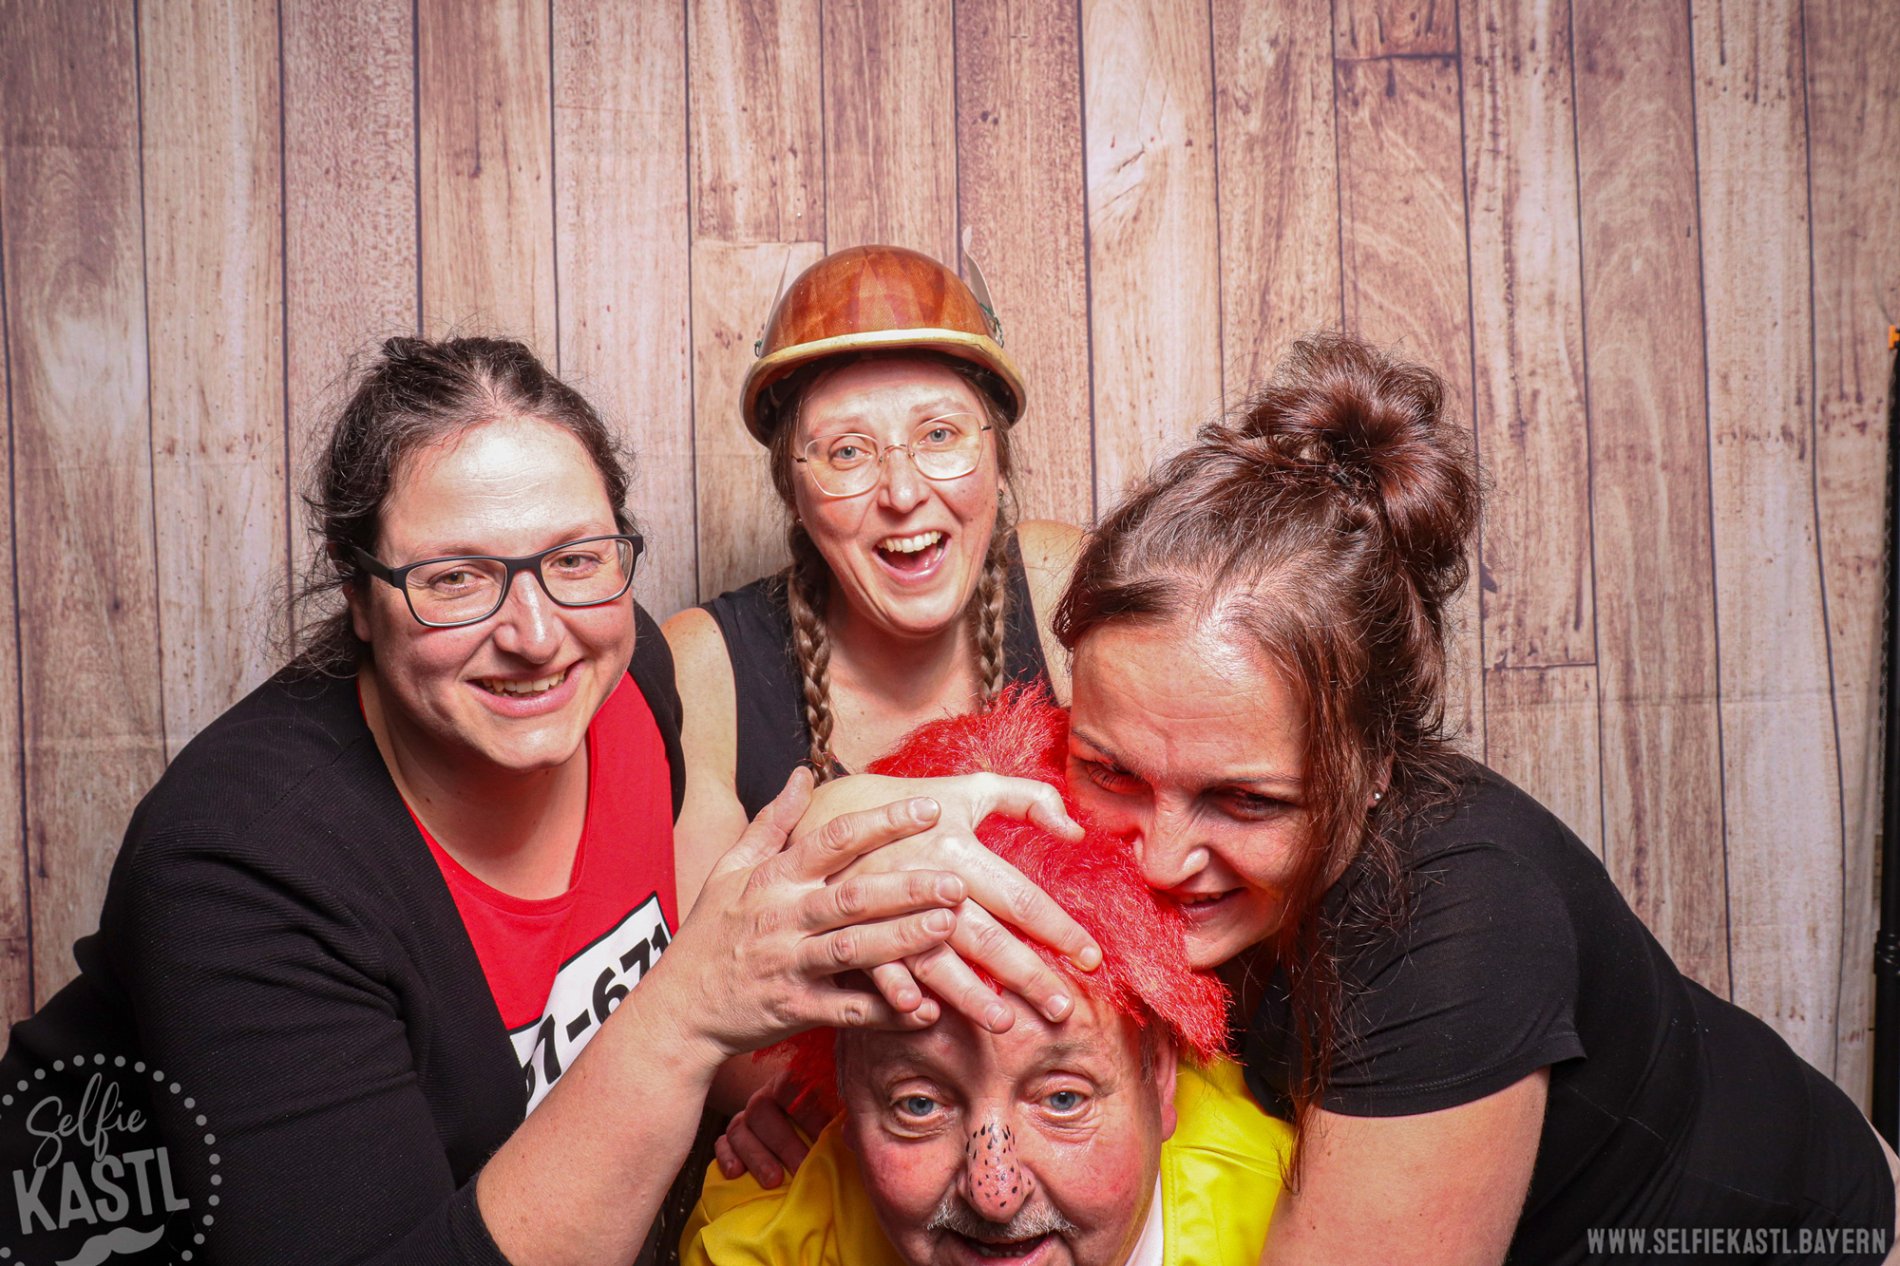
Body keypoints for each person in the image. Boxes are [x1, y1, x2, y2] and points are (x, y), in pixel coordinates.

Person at [743, 333, 1900, 1263]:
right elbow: (830, 833)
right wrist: (829, 1096)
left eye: (1246, 804)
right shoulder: (1122, 752)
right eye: (1109, 772)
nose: (1155, 857)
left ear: (1372, 762)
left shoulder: (1459, 923)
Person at [0, 336, 1073, 1266]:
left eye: (576, 558)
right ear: (359, 597)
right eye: (455, 579)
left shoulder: (631, 683)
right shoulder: (239, 866)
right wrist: (683, 1021)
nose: (536, 634)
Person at [664, 245, 1089, 1167]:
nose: (901, 492)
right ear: (793, 488)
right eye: (848, 452)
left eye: (940, 434)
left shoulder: (1066, 585)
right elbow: (710, 1008)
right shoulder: (705, 665)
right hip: (843, 1152)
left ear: (997, 455)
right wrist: (818, 1095)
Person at [680, 690, 1293, 1266]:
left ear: (1160, 1075)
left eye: (1063, 1099)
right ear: (844, 1088)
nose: (993, 1193)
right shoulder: (759, 1242)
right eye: (918, 1104)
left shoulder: (1291, 1220)